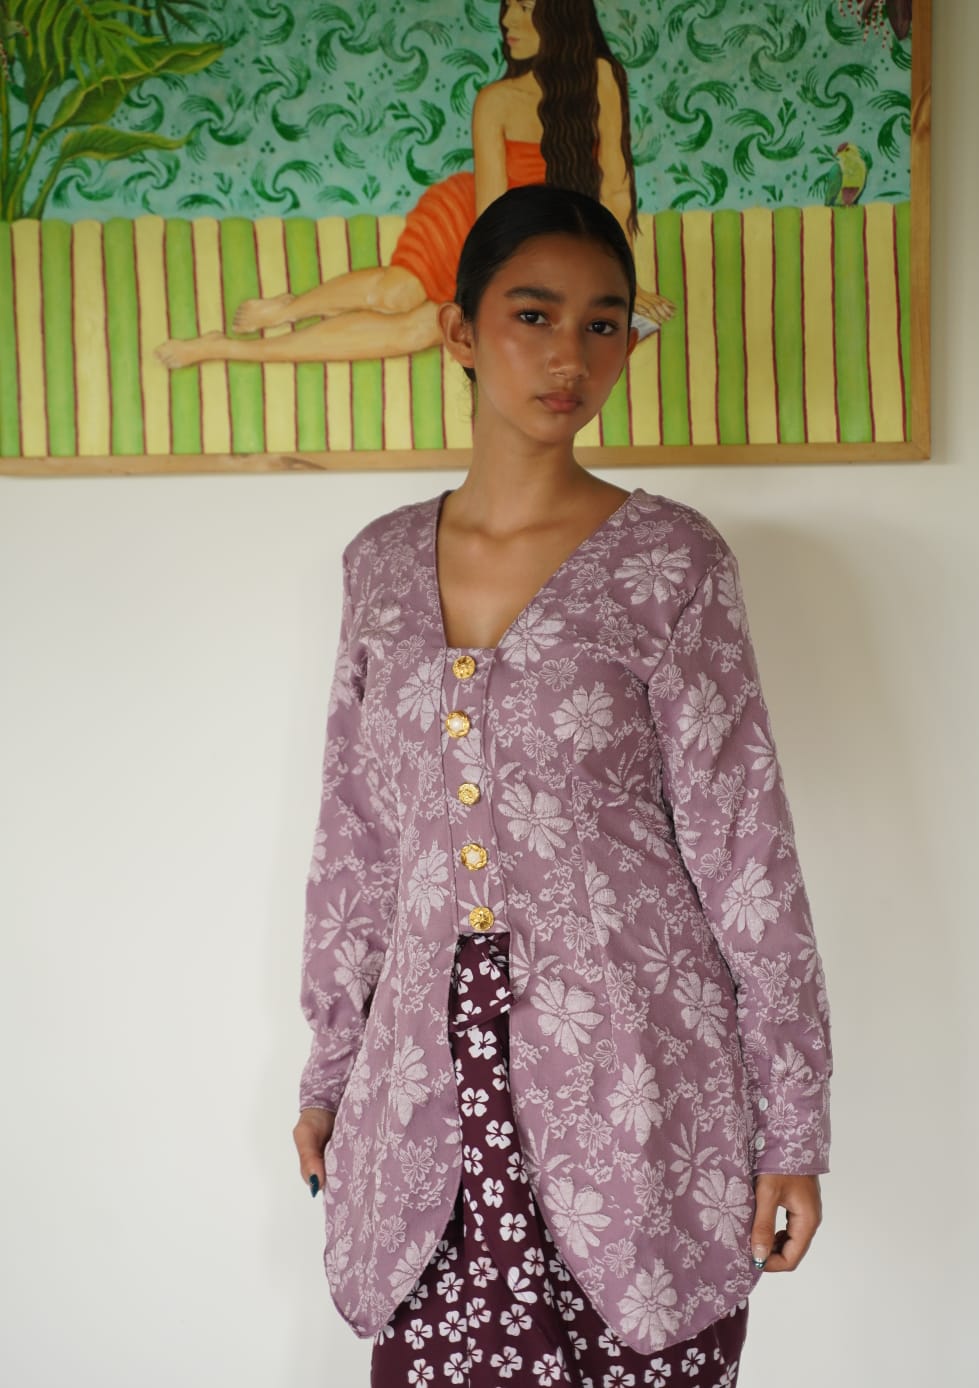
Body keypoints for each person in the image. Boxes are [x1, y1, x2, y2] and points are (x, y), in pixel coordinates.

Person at [293, 183, 832, 1385]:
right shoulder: (379, 566)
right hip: (423, 1093)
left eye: (603, 324)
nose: (569, 356)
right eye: (532, 315)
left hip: (639, 1078)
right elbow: (357, 839)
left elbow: (744, 850)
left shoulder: (671, 561)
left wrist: (792, 1123)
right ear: (459, 329)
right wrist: (331, 1066)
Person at [156, 0, 673, 372]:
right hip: (477, 219)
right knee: (396, 293)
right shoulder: (496, 100)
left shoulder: (600, 78)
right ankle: (288, 308)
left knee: (416, 331)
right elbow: (492, 211)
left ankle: (226, 349)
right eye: (507, 8)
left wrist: (625, 286)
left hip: (540, 241)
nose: (508, 21)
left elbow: (615, 189)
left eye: (524, 8)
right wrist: (491, 287)